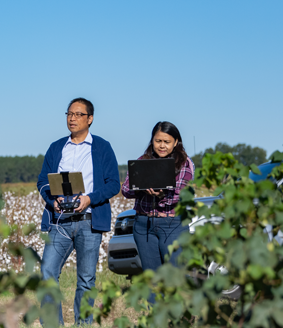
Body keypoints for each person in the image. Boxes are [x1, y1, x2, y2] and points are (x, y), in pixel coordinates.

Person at [36, 97, 120, 326]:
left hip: (88, 221)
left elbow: (114, 184)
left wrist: (89, 198)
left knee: (85, 280)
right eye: (69, 114)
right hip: (59, 221)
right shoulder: (56, 147)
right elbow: (43, 180)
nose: (72, 118)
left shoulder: (102, 147)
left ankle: (83, 324)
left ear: (90, 119)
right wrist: (52, 199)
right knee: (47, 273)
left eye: (78, 114)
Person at [121, 121, 194, 286]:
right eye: (158, 141)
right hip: (144, 224)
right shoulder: (142, 161)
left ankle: (180, 311)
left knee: (176, 275)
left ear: (176, 142)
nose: (162, 146)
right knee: (152, 278)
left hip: (173, 224)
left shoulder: (184, 163)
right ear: (152, 140)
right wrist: (141, 189)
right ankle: (154, 311)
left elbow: (181, 195)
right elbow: (126, 189)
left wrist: (161, 195)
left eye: (167, 142)